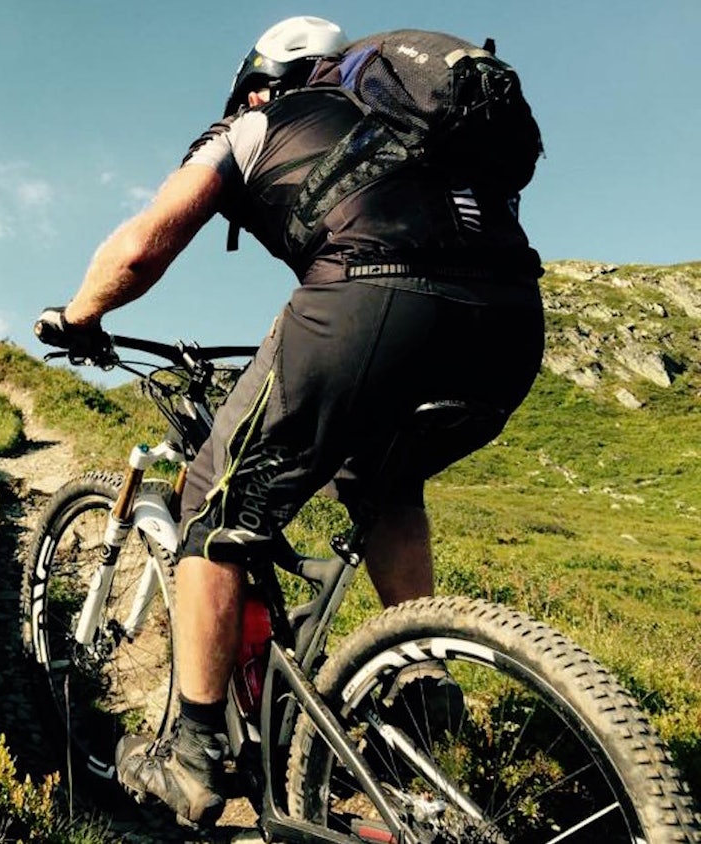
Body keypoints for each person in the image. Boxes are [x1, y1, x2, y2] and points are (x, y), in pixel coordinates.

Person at [34, 16, 544, 828]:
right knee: (381, 474)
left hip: (373, 303)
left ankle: (193, 754)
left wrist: (80, 314)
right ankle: (418, 690)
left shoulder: (256, 122)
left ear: (258, 81)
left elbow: (140, 250)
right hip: (512, 326)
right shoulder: (415, 120)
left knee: (210, 501)